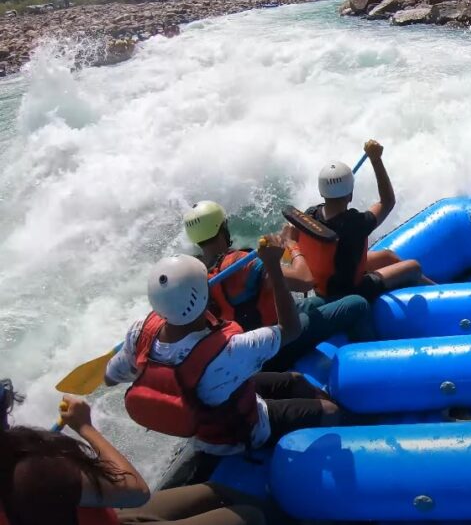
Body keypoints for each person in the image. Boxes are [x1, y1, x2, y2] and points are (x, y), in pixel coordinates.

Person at [104, 244, 344, 457]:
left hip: (207, 417)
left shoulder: (139, 334)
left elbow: (111, 377)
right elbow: (290, 329)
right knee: (330, 411)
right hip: (245, 434)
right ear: (204, 294)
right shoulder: (229, 350)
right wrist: (272, 264)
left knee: (296, 381)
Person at [0, 381, 272, 525]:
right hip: (121, 510)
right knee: (251, 517)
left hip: (110, 518)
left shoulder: (20, 462)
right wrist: (85, 427)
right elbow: (135, 492)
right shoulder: (33, 472)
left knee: (216, 491)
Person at [183, 200, 373, 371]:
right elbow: (305, 280)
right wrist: (291, 243)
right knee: (358, 302)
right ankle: (367, 364)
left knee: (318, 302)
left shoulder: (197, 271)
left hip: (254, 340)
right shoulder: (240, 264)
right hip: (276, 343)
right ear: (222, 228)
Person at [302, 139, 433, 302]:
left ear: (322, 192)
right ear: (350, 195)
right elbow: (387, 202)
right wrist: (376, 159)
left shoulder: (310, 215)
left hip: (328, 282)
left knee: (386, 257)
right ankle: (439, 294)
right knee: (414, 267)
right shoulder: (355, 223)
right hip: (350, 291)